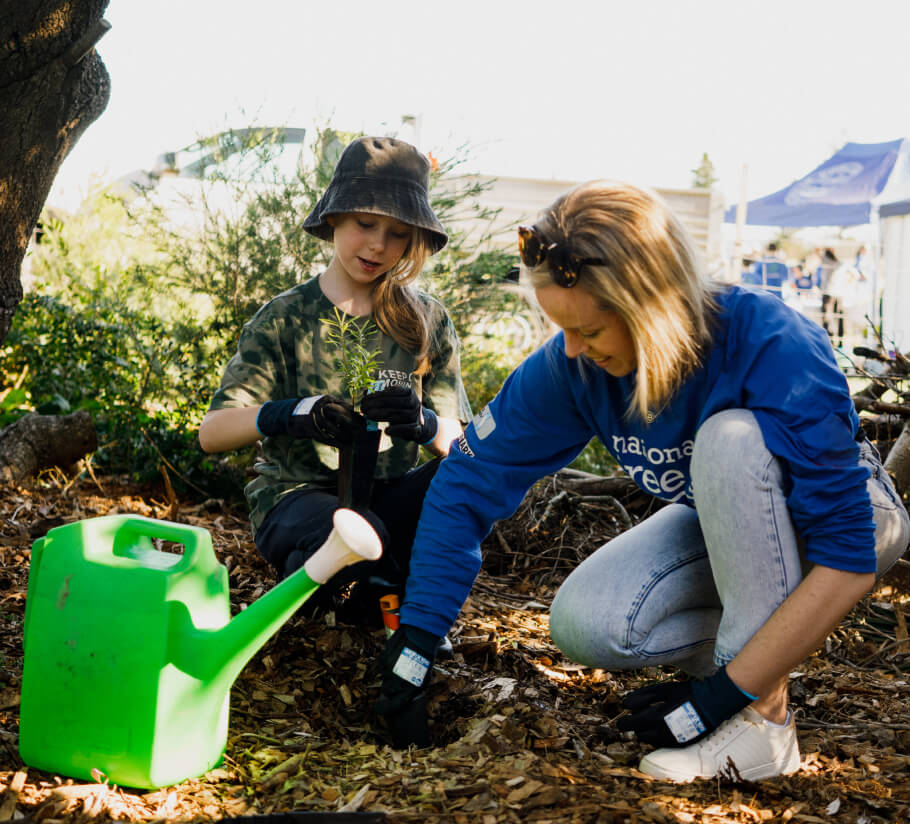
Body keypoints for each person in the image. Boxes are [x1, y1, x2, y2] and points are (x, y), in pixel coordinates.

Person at [374, 181, 909, 782]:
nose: (572, 350)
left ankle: (763, 724)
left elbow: (848, 554)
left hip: (852, 516)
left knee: (730, 440)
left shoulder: (770, 342)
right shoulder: (573, 366)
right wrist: (417, 639)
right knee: (588, 624)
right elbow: (468, 478)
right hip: (727, 518)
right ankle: (762, 652)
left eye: (592, 331)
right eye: (562, 328)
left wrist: (720, 697)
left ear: (652, 307)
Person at [199, 136, 471, 626]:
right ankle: (326, 585)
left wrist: (424, 423)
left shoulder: (428, 320)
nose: (378, 245)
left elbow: (463, 449)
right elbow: (212, 433)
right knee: (355, 534)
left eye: (398, 233)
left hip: (388, 494)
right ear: (335, 217)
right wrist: (287, 414)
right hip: (297, 497)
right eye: (366, 224)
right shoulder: (284, 319)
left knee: (466, 480)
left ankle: (385, 604)